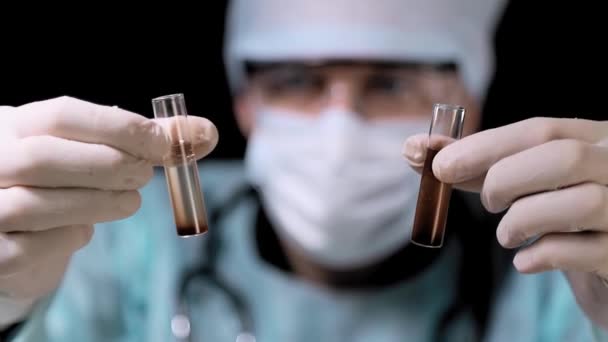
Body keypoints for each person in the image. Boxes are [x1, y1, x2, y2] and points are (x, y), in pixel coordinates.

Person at [1, 0, 608, 341]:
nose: (338, 124)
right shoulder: (124, 226)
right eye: (297, 81)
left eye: (390, 82)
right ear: (245, 101)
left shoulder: (558, 259)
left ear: (468, 103)